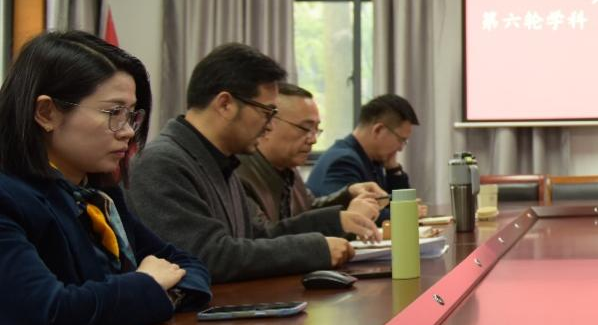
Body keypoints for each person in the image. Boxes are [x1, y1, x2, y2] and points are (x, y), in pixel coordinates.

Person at [0, 31, 210, 325]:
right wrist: (147, 284)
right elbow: (48, 316)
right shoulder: (9, 198)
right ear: (46, 113)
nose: (128, 132)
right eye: (114, 113)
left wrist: (154, 293)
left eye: (132, 115)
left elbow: (186, 265)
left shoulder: (99, 194)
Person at [128, 44, 369, 283]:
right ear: (225, 104)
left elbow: (259, 237)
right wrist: (315, 249)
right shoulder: (161, 163)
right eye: (267, 112)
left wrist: (333, 223)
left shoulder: (220, 162)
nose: (270, 125)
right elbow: (207, 256)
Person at [237, 82, 386, 229]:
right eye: (305, 128)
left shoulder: (288, 168)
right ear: (268, 123)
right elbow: (265, 234)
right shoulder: (239, 173)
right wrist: (339, 221)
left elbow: (308, 208)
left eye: (316, 130)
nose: (313, 140)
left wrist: (348, 194)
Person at [307, 94, 420, 200]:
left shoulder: (372, 159)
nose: (400, 148)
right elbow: (361, 212)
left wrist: (393, 170)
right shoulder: (344, 162)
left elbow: (402, 203)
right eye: (401, 140)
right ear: (378, 130)